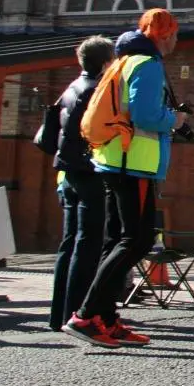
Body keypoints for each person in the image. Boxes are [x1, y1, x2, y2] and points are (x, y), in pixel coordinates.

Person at [62, 10, 187, 348]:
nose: (176, 40)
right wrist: (174, 120)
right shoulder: (147, 64)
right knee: (138, 239)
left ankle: (105, 318)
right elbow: (146, 114)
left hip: (114, 160)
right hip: (134, 163)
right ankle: (87, 315)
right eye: (174, 33)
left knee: (119, 239)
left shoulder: (123, 61)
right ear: (161, 35)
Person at [48, 36, 115, 332]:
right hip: (90, 172)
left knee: (69, 242)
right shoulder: (97, 90)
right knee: (88, 243)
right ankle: (77, 313)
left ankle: (58, 314)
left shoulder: (72, 87)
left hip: (68, 172)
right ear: (105, 62)